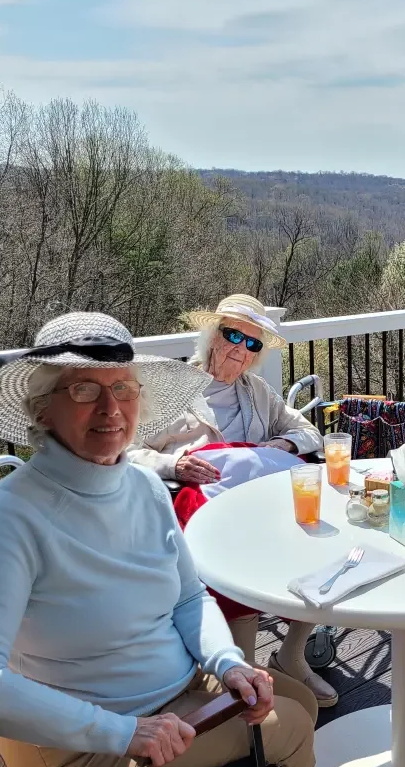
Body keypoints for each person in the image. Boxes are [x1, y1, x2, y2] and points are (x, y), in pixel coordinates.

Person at [0, 311, 335, 767]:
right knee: (294, 725)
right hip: (77, 742)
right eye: (83, 389)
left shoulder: (146, 485)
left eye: (123, 388)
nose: (110, 408)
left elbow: (188, 598)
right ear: (42, 409)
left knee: (292, 692)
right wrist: (121, 733)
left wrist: (227, 663)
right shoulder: (14, 511)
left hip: (169, 699)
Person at [128, 294, 336, 708]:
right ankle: (244, 670)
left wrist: (281, 441)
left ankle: (292, 657)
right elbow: (129, 451)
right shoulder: (169, 389)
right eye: (233, 335)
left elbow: (309, 433)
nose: (241, 348)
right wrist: (175, 465)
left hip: (254, 501)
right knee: (239, 560)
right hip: (197, 505)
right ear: (212, 335)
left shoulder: (256, 390)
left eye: (253, 343)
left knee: (320, 544)